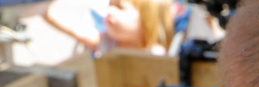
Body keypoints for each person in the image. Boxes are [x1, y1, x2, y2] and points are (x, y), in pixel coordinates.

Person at [44, 0, 176, 55]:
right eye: (111, 5)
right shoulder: (108, 42)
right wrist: (44, 11)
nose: (110, 11)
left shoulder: (154, 55)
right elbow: (78, 30)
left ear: (148, 21)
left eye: (120, 8)